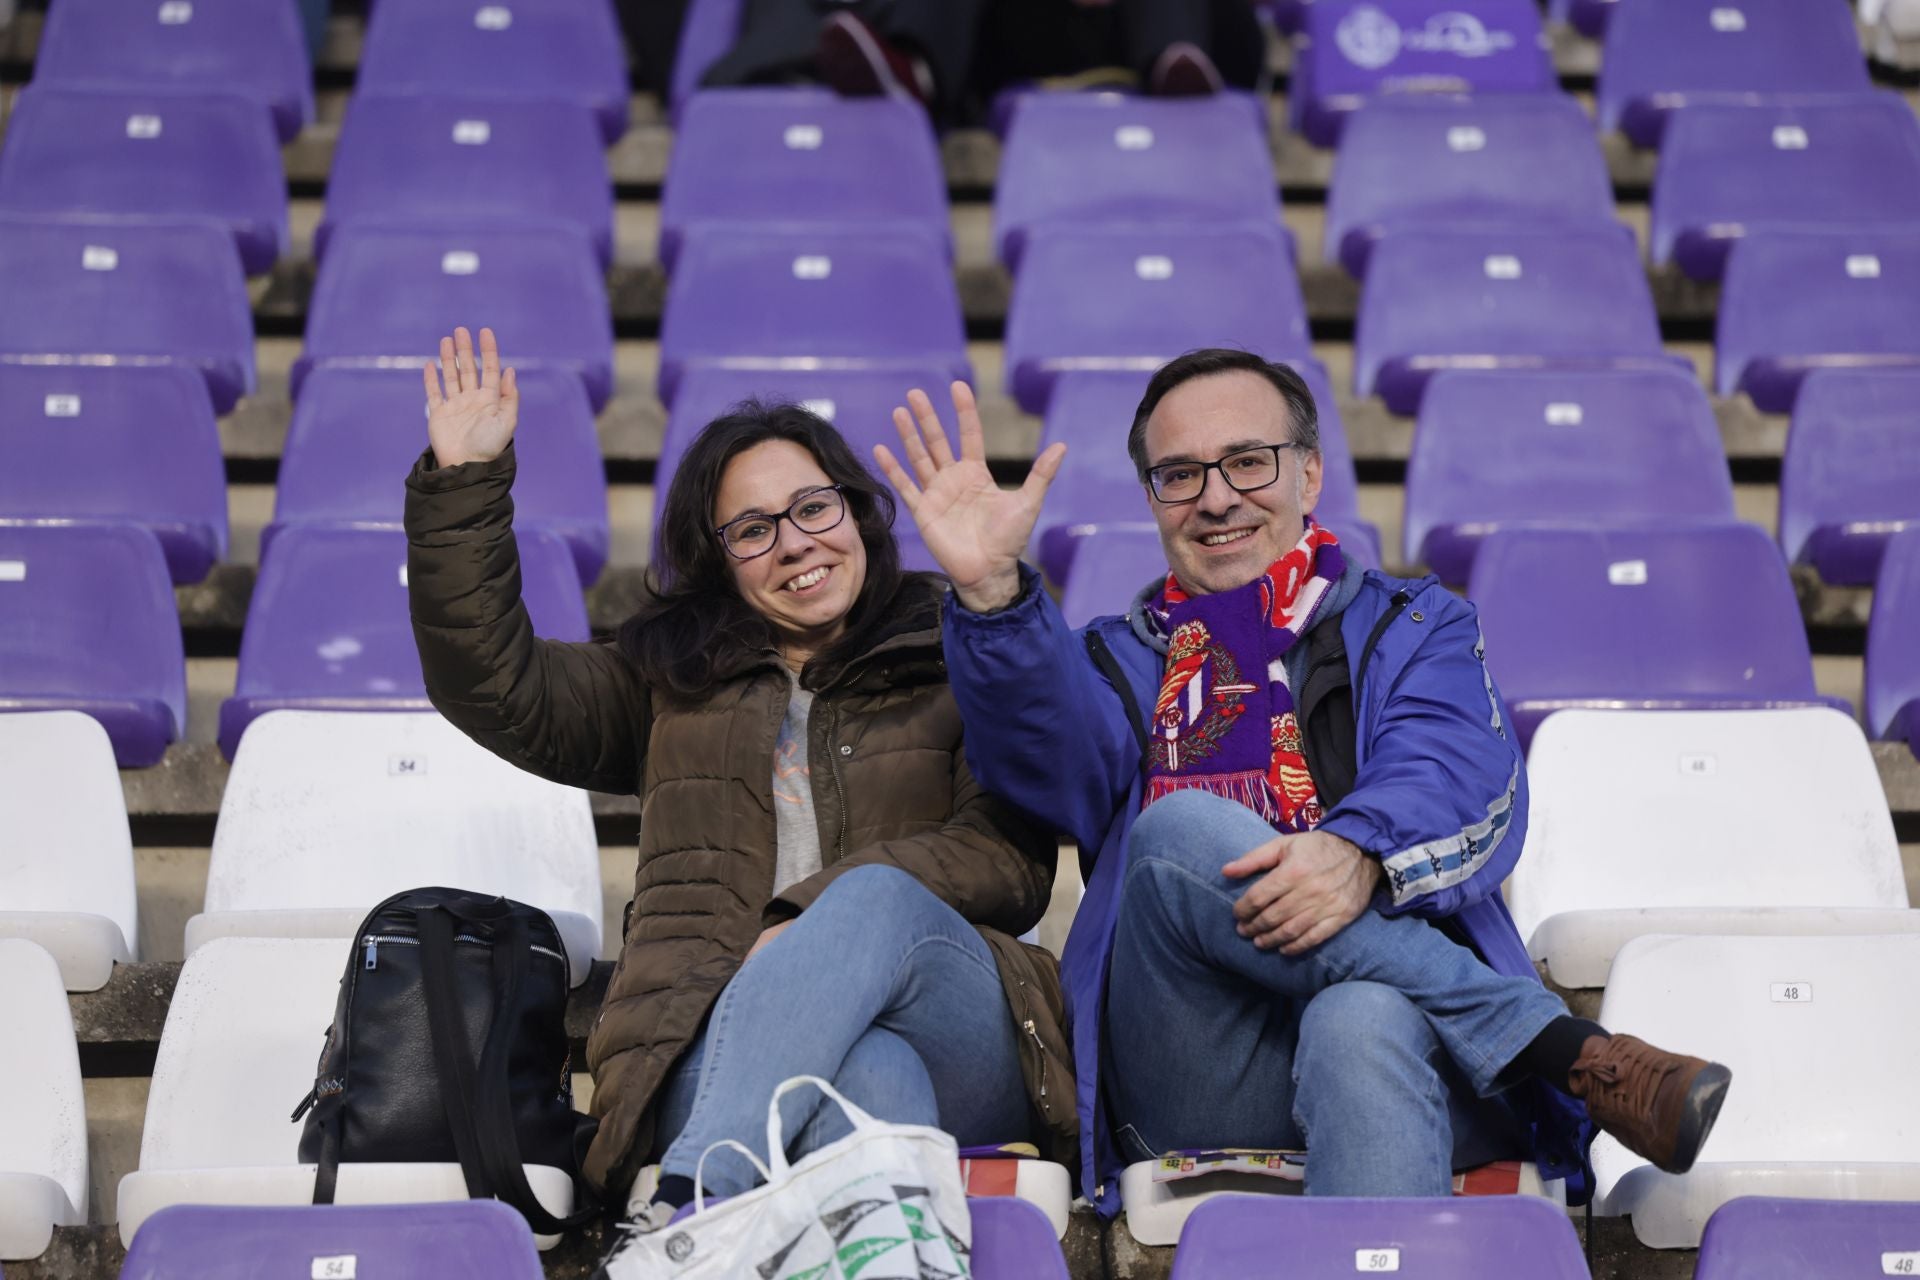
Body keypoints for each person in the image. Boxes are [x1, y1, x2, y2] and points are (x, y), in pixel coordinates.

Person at [873, 349, 1732, 1213]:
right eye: (1180, 475)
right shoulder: (1114, 661)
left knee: (1358, 1017)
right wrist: (991, 594)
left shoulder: (1416, 625)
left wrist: (1357, 851)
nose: (1215, 497)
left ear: (1310, 472)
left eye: (1248, 461)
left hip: (1427, 1056)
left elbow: (1452, 769)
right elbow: (1042, 760)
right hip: (1199, 1061)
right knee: (1172, 834)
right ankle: (1560, 1047)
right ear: (1152, 500)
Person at [402, 328, 1074, 1242]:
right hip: (718, 1041)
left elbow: (1010, 860)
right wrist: (465, 489)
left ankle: (682, 1208)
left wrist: (803, 925)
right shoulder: (669, 684)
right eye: (754, 530)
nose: (795, 544)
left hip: (959, 1026)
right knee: (870, 1081)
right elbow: (492, 683)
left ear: (857, 511)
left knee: (873, 900)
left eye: (813, 509)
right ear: (719, 559)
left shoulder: (957, 651)